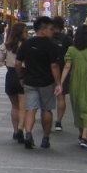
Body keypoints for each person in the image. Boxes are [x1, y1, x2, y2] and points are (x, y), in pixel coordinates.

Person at [18, 16, 62, 149]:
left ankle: (28, 134)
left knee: (30, 109)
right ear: (43, 30)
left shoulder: (27, 43)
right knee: (46, 110)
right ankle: (45, 138)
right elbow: (54, 65)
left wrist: (21, 76)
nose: (53, 32)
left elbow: (18, 63)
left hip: (30, 81)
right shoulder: (51, 45)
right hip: (47, 82)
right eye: (51, 29)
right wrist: (58, 83)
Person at [0, 21, 27, 142]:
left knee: (14, 106)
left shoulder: (7, 46)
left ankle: (15, 131)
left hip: (10, 75)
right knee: (23, 106)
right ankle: (21, 129)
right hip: (23, 75)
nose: (27, 34)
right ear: (20, 33)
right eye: (25, 32)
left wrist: (6, 63)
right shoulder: (26, 45)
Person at [51, 16, 73, 131]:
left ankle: (46, 116)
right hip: (63, 71)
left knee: (46, 97)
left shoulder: (48, 38)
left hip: (48, 71)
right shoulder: (67, 39)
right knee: (61, 97)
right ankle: (58, 122)